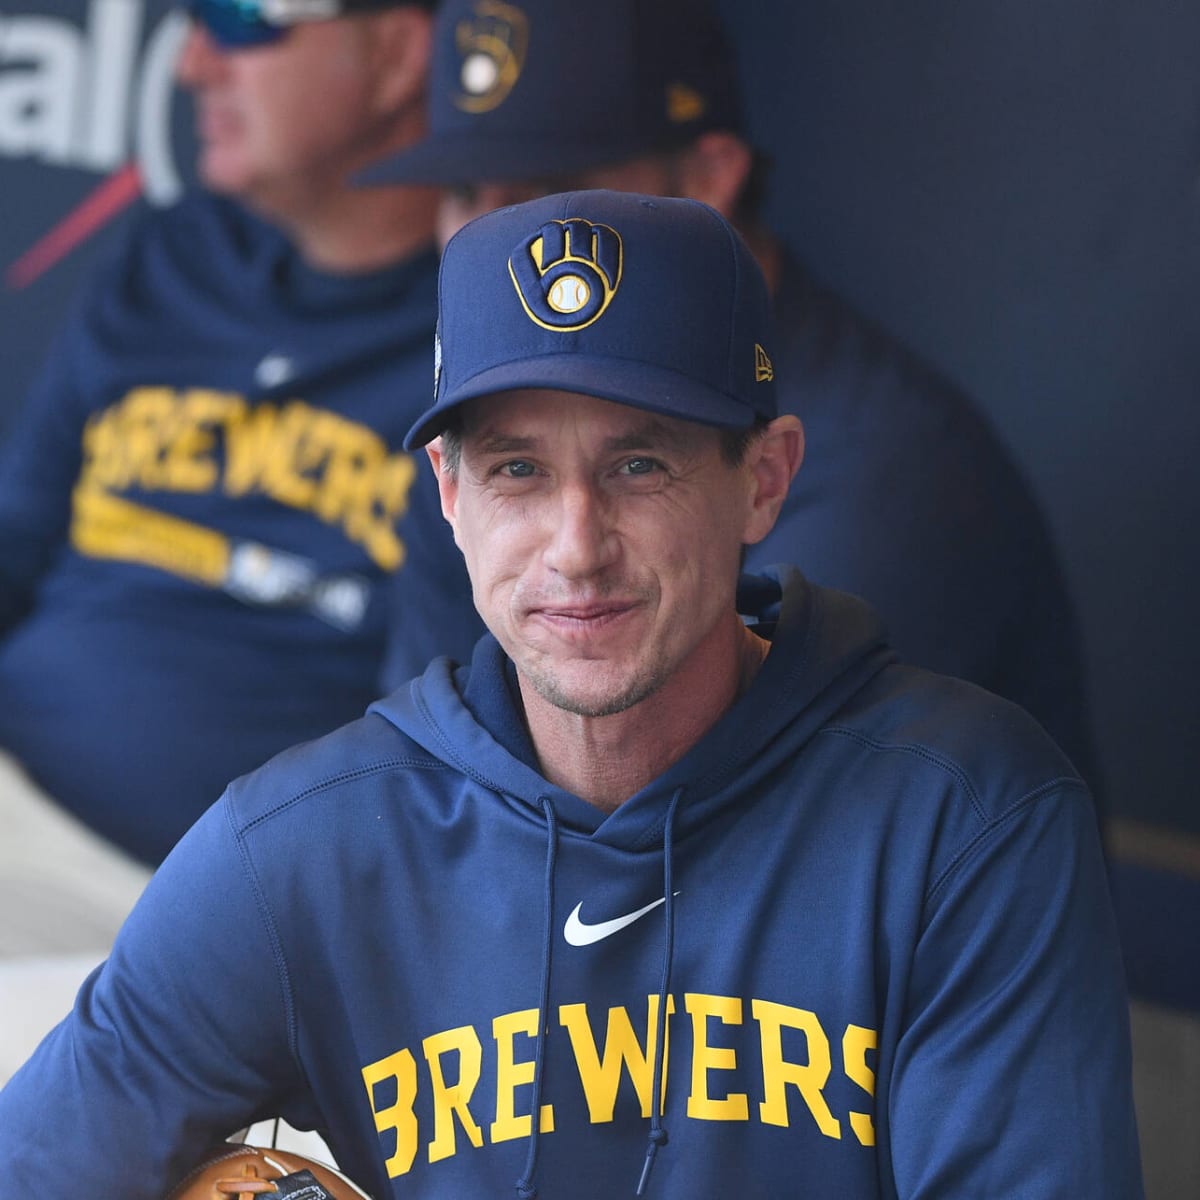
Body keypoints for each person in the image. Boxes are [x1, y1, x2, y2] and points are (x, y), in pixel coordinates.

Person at [0, 190, 1142, 1197]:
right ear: (447, 495)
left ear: (765, 480)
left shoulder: (964, 819)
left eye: (639, 465)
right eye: (517, 471)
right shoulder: (298, 848)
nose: (576, 546)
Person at [369, 0, 1102, 803]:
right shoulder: (480, 420)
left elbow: (740, 850)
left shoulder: (888, 470)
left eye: (553, 191)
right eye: (466, 190)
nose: (503, 239)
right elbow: (423, 792)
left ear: (710, 174)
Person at [0, 0, 473, 956]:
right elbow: (17, 531)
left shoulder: (485, 336)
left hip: (179, 910)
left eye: (241, 22)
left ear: (394, 53)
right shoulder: (170, 255)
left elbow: (440, 761)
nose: (193, 65)